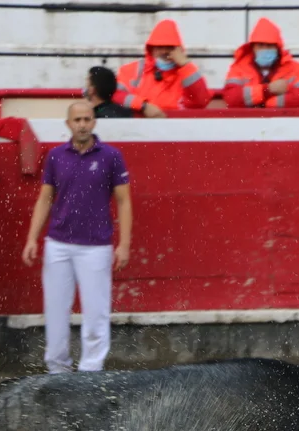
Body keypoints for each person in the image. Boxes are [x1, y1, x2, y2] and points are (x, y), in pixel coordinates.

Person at [22, 101, 132, 374]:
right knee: (56, 311)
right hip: (58, 244)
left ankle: (90, 372)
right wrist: (32, 238)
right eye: (77, 120)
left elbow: (124, 201)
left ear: (94, 122)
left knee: (96, 313)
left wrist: (124, 244)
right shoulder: (56, 156)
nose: (82, 124)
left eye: (86, 119)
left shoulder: (111, 156)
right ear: (68, 124)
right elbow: (45, 198)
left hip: (96, 247)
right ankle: (57, 370)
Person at [114, 19, 212, 117]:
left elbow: (201, 101)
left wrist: (185, 65)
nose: (164, 52)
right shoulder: (133, 69)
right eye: (160, 47)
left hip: (177, 125)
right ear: (151, 49)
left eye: (170, 47)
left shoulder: (188, 73)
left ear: (178, 50)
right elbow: (115, 94)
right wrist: (143, 106)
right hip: (139, 124)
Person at [223, 18, 299, 109]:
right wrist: (267, 90)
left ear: (278, 48)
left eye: (269, 45)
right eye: (260, 45)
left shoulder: (297, 69)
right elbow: (232, 99)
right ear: (252, 48)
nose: (265, 49)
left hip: (281, 118)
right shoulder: (238, 68)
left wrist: (268, 104)